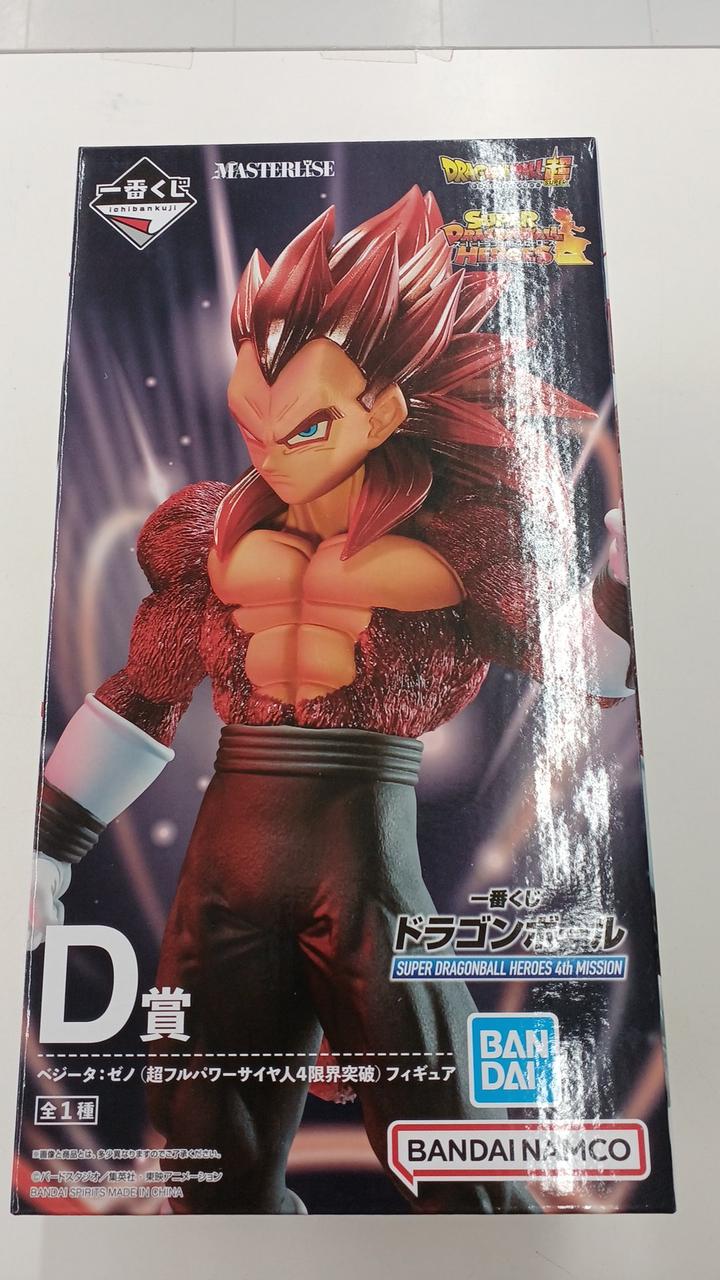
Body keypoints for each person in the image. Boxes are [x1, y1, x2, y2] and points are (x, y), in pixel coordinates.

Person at [30, 187, 633, 1213]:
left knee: (450, 1147)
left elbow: (586, 673)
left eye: (306, 425)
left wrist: (619, 584)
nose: (269, 451)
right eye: (249, 419)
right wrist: (49, 842)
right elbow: (146, 691)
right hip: (225, 863)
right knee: (203, 1156)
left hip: (365, 866)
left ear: (385, 408)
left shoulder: (464, 540)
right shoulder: (209, 532)